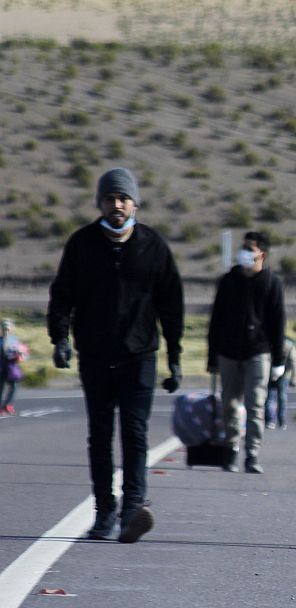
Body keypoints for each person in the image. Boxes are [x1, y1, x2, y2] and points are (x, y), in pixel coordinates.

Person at [47, 167, 184, 544]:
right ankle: (105, 511)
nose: (117, 205)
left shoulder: (153, 246)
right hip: (94, 354)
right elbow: (62, 296)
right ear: (100, 203)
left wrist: (174, 356)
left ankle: (133, 508)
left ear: (135, 202)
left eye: (123, 198)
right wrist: (60, 338)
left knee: (135, 434)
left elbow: (171, 304)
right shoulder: (82, 244)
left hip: (139, 355)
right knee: (100, 435)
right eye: (110, 198)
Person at [207, 231, 286, 474]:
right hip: (228, 351)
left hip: (258, 352)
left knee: (256, 404)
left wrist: (279, 360)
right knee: (229, 403)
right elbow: (216, 319)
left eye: (249, 250)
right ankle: (231, 449)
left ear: (261, 253)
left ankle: (252, 453)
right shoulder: (228, 281)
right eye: (243, 249)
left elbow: (277, 323)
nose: (244, 254)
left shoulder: (271, 282)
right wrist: (212, 356)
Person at [265, 335, 296, 430]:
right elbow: (294, 362)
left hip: (271, 373)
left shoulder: (268, 343)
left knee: (270, 397)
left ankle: (270, 420)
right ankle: (281, 420)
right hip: (284, 375)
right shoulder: (289, 345)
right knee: (282, 397)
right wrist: (295, 378)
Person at [0, 318, 26, 415]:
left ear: (11, 329)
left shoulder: (14, 340)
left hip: (11, 368)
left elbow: (23, 354)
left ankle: (7, 405)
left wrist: (20, 354)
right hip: (1, 368)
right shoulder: (0, 340)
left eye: (8, 328)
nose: (6, 330)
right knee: (1, 388)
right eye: (4, 328)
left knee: (14, 387)